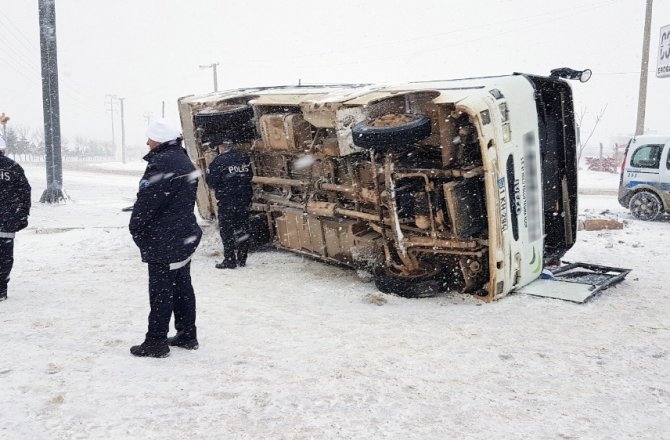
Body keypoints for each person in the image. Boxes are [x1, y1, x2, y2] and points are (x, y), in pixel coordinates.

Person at [129, 119, 202, 358]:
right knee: (181, 285)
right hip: (183, 233)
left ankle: (155, 342)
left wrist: (136, 228)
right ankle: (187, 334)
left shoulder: (161, 163)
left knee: (161, 290)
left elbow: (147, 203)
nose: (147, 142)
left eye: (149, 137)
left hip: (165, 237)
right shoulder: (182, 158)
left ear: (158, 140)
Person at [205, 135, 254, 269]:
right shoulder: (243, 158)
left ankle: (230, 259)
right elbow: (250, 176)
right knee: (242, 228)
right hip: (244, 200)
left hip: (227, 201)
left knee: (227, 230)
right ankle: (242, 258)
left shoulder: (219, 161)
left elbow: (211, 182)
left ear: (220, 147)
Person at [0, 134, 31, 302]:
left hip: (6, 218)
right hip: (6, 221)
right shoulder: (13, 167)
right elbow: (25, 191)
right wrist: (23, 215)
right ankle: (1, 288)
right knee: (4, 256)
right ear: (2, 149)